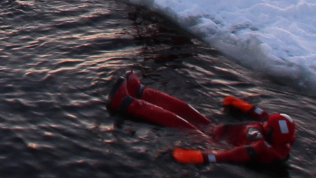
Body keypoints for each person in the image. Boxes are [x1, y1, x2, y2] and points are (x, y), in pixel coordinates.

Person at [106, 69, 296, 165]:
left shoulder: (262, 148)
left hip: (214, 142)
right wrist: (241, 105)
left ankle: (126, 103)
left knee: (175, 120)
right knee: (186, 108)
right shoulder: (279, 137)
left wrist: (200, 157)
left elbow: (233, 155)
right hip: (218, 131)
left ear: (272, 133)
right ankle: (140, 91)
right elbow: (263, 116)